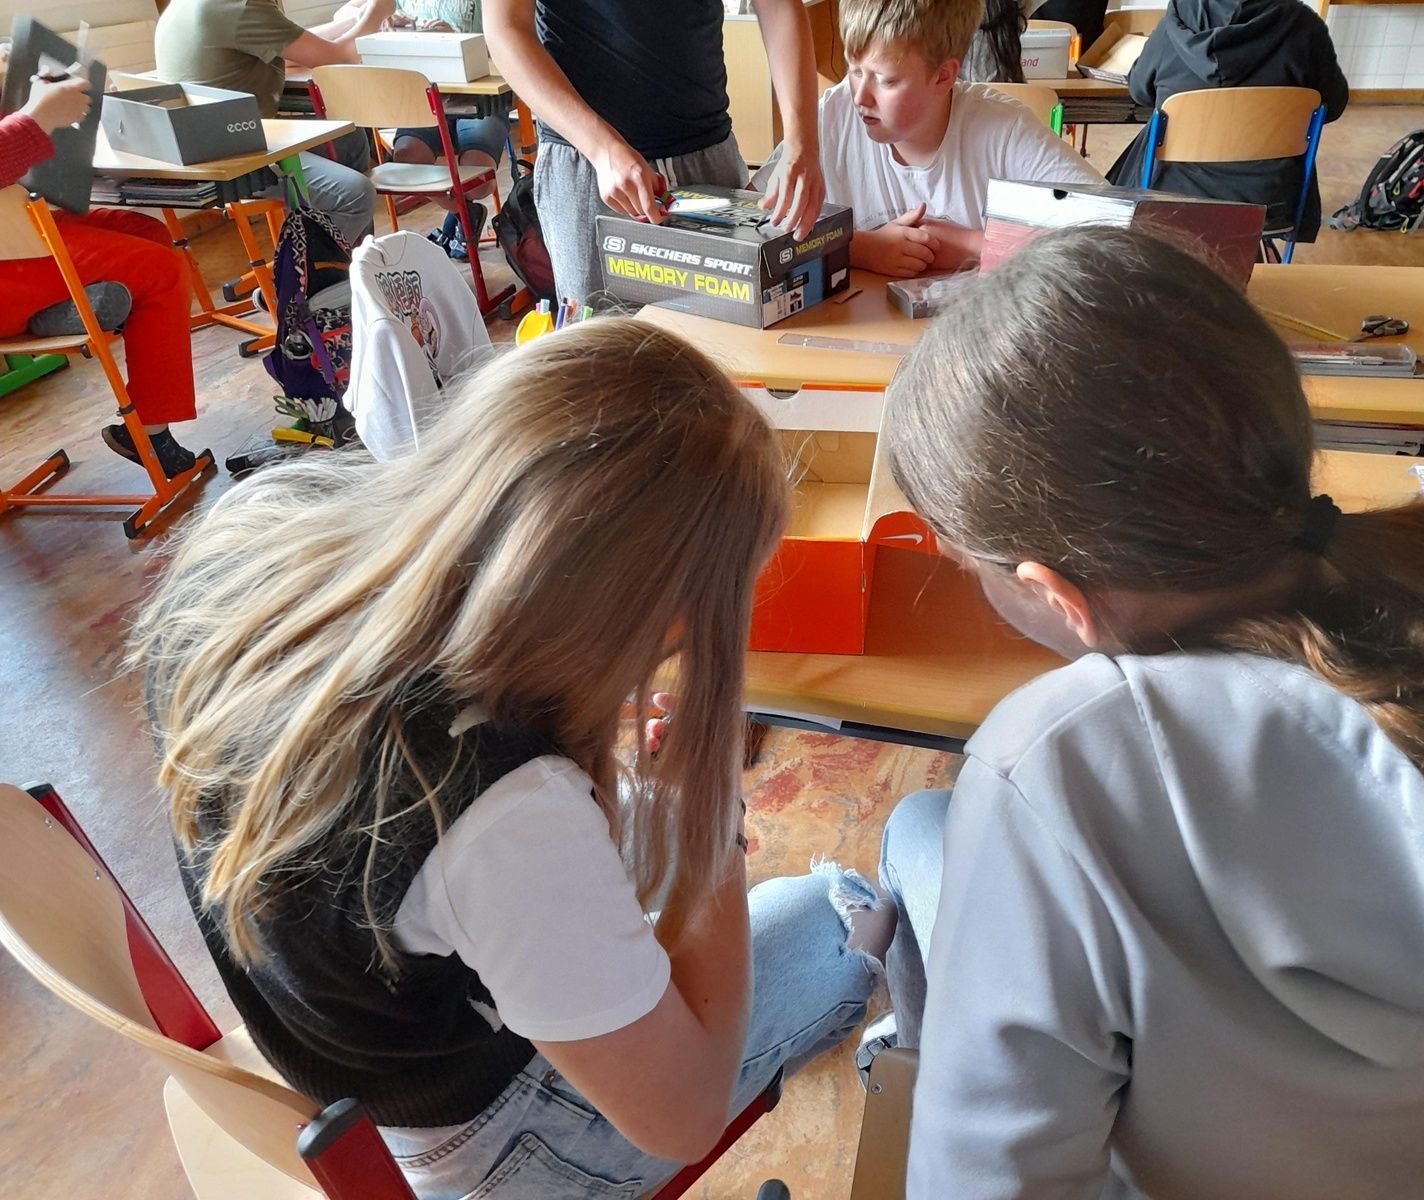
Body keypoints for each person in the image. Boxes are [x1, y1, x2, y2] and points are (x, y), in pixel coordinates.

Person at [874, 225, 1424, 1198]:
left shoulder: (1058, 761)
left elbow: (985, 1183)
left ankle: (908, 1055)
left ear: (1054, 593)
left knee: (919, 831)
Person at [131, 319, 891, 1199]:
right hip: (485, 1144)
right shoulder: (503, 811)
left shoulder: (251, 530)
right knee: (845, 918)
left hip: (334, 1044)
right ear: (649, 613)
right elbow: (684, 1116)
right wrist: (709, 815)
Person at [483, 0, 823, 307]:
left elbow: (779, 6)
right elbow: (505, 28)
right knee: (603, 343)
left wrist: (801, 142)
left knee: (723, 340)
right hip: (588, 167)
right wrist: (603, 148)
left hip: (707, 156)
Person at [0, 70, 200, 475]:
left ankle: (60, 310)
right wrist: (36, 116)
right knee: (158, 269)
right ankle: (150, 434)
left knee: (148, 233)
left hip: (14, 229)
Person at [808, 0, 1099, 278]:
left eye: (887, 81)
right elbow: (778, 230)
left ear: (943, 77)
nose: (860, 97)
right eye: (855, 71)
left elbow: (1112, 232)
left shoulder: (1003, 131)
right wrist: (859, 248)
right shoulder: (827, 121)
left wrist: (973, 245)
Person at [1108, 0, 1348, 245]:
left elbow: (1140, 91)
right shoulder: (1304, 27)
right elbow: (1332, 105)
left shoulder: (1177, 20)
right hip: (1270, 199)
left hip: (1170, 192)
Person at [154, 0, 387, 246]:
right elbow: (339, 57)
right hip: (233, 159)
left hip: (207, 146)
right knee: (356, 195)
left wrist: (353, 21)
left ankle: (349, 254)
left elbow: (294, 45)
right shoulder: (243, 6)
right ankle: (302, 267)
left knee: (348, 139)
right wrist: (379, 10)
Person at [382, 0, 511, 259]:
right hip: (425, 97)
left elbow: (511, 43)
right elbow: (349, 15)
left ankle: (460, 215)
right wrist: (385, 26)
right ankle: (464, 213)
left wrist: (458, 44)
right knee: (406, 159)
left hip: (481, 96)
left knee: (479, 180)